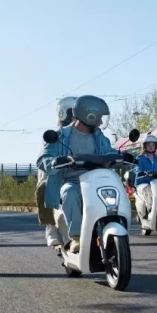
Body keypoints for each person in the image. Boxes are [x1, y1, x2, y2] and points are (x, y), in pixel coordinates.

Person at [37, 95, 114, 253]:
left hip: (97, 182)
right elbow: (43, 158)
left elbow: (110, 152)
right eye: (99, 118)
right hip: (72, 182)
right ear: (89, 116)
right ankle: (76, 238)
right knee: (69, 192)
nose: (100, 122)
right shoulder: (60, 136)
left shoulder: (100, 137)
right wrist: (52, 162)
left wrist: (123, 155)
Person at [37, 96, 76, 248]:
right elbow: (44, 159)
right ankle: (51, 227)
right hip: (59, 173)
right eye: (73, 113)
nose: (76, 116)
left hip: (80, 174)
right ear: (63, 113)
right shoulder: (55, 135)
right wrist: (53, 163)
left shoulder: (87, 134)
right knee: (44, 185)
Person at [133, 134, 157, 219]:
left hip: (156, 183)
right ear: (144, 146)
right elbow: (137, 168)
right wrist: (139, 172)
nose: (151, 146)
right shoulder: (140, 158)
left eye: (153, 144)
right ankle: (150, 210)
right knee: (148, 190)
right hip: (143, 183)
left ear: (155, 146)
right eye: (148, 144)